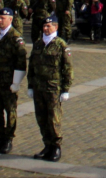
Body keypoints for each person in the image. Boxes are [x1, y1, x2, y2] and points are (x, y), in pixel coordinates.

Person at [27, 15, 73, 162]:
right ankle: (47, 145)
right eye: (45, 26)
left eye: (49, 26)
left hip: (53, 88)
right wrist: (30, 85)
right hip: (39, 87)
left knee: (53, 119)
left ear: (56, 27)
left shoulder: (61, 45)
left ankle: (55, 147)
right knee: (41, 118)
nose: (46, 28)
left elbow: (67, 68)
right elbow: (32, 66)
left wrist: (66, 89)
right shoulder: (39, 43)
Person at [0, 7, 27, 154]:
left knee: (10, 111)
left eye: (3, 18)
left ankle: (8, 138)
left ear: (10, 19)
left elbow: (21, 62)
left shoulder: (16, 38)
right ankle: (0, 137)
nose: (0, 20)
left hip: (8, 82)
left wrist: (16, 82)